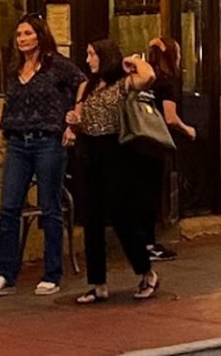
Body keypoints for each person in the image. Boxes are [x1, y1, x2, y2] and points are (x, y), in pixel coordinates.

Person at [0, 15, 85, 299]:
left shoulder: (57, 65)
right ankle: (5, 274)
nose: (22, 39)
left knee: (49, 207)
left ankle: (52, 273)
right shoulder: (15, 68)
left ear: (40, 35)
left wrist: (73, 119)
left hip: (47, 141)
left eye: (27, 33)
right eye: (18, 35)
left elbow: (82, 82)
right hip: (17, 141)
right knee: (9, 207)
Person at [66, 39, 159, 303]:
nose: (88, 60)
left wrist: (130, 62)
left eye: (92, 54)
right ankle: (98, 283)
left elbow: (148, 75)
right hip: (89, 151)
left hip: (115, 151)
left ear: (105, 56)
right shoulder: (87, 86)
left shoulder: (123, 83)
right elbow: (79, 118)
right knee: (91, 218)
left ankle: (147, 272)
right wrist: (73, 123)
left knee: (121, 216)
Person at [143, 37, 196, 262]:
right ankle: (148, 244)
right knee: (153, 193)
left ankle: (139, 242)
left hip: (137, 139)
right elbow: (170, 118)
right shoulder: (168, 81)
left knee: (140, 193)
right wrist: (188, 130)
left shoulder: (142, 79)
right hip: (156, 143)